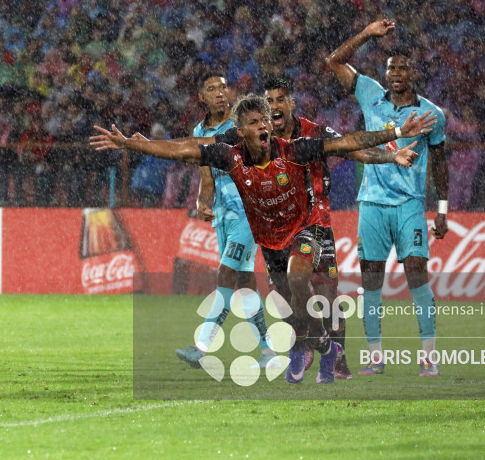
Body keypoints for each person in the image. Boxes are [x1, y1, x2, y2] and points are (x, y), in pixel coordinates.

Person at [92, 94, 433, 384]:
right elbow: (183, 149)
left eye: (265, 121)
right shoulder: (230, 155)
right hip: (270, 241)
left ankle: (317, 344)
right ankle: (319, 346)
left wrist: (397, 133)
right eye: (255, 122)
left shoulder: (294, 150)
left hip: (305, 227)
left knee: (300, 278)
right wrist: (134, 144)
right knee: (287, 301)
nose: (263, 127)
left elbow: (346, 143)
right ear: (240, 132)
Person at [263, 75, 415, 379]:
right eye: (269, 101)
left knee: (327, 295)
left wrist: (390, 155)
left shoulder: (316, 134)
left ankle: (333, 355)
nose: (275, 106)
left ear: (292, 104)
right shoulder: (259, 139)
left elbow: (351, 148)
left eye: (280, 99)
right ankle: (312, 342)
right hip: (277, 230)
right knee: (286, 294)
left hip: (315, 224)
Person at [325, 19, 449, 377]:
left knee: (416, 276)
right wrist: (364, 33)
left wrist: (441, 210)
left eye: (403, 67)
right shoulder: (370, 93)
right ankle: (376, 358)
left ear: (414, 72)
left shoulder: (431, 114)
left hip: (410, 204)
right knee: (371, 280)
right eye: (392, 67)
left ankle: (428, 357)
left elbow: (439, 162)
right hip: (372, 203)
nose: (396, 73)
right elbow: (334, 61)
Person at [172, 73, 274, 369]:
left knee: (226, 274)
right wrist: (203, 202)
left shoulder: (241, 125)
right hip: (224, 215)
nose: (219, 93)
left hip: (248, 210)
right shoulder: (199, 130)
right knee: (244, 283)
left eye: (222, 87)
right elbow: (207, 176)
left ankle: (202, 345)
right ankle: (268, 348)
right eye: (211, 89)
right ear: (201, 97)